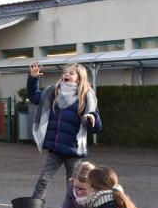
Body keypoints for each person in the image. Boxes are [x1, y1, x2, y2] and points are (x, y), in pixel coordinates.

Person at [27, 62, 102, 200]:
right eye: (65, 72)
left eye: (71, 73)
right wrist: (33, 78)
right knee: (44, 179)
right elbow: (34, 97)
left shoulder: (85, 97)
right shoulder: (53, 92)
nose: (66, 74)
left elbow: (97, 128)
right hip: (55, 149)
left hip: (73, 151)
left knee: (73, 184)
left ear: (80, 78)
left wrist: (93, 118)